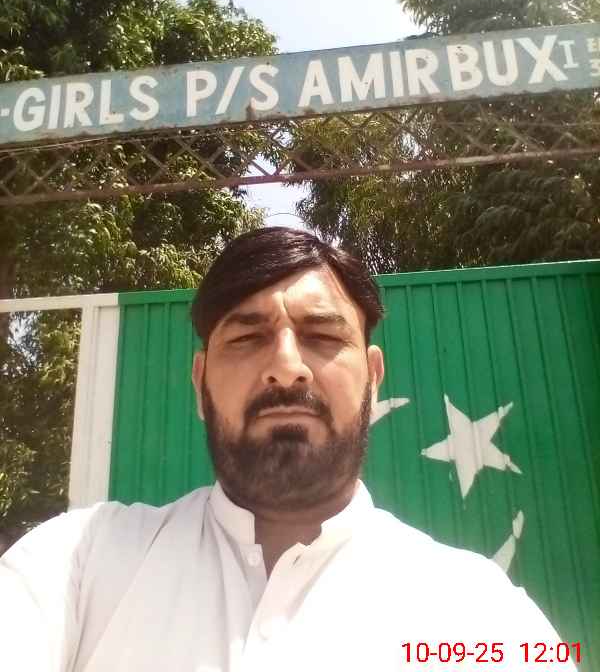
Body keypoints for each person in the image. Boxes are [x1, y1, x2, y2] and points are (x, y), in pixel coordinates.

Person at [0, 227, 575, 672]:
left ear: (374, 379)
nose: (286, 366)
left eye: (322, 336)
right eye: (247, 338)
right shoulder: (80, 561)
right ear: (200, 385)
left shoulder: (481, 612)